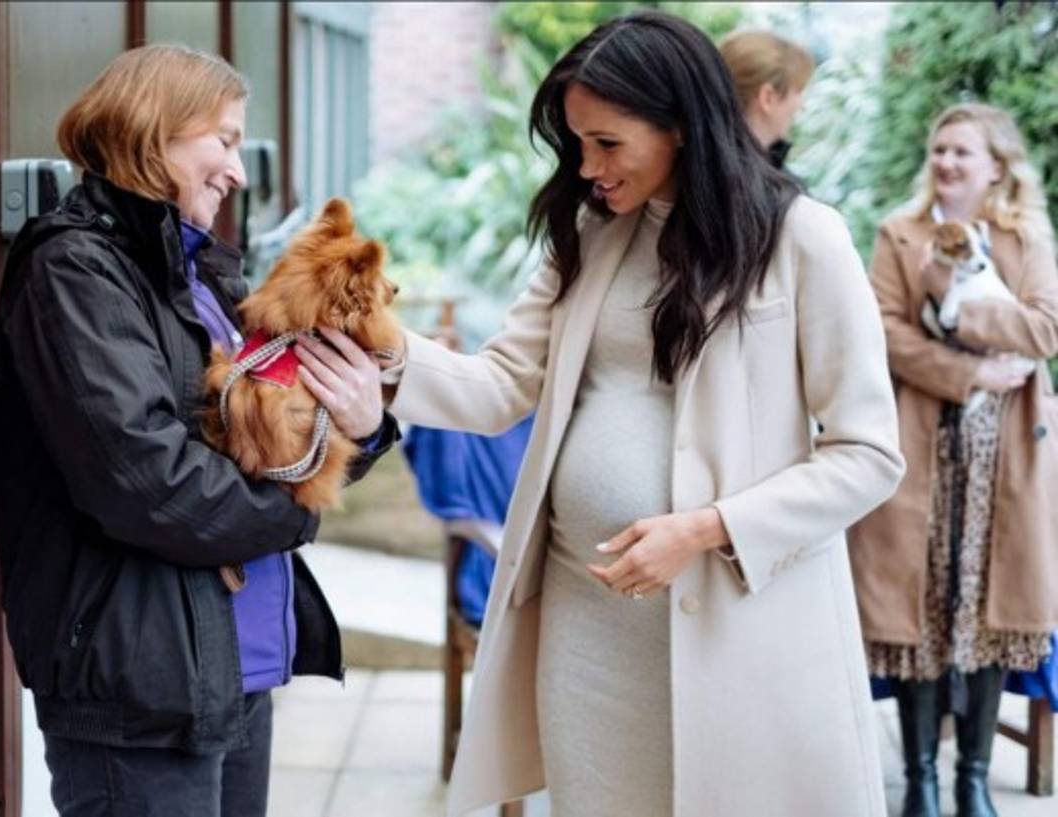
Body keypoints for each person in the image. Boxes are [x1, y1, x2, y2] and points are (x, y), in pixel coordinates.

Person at [298, 10, 904, 817]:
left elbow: (868, 455)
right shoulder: (590, 232)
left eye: (608, 143)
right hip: (588, 630)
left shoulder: (805, 240)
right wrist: (380, 355)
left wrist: (705, 527)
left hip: (739, 627)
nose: (587, 168)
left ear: (683, 126)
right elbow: (501, 384)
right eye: (578, 143)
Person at [0, 44, 396, 817]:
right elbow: (146, 480)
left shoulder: (199, 270)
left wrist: (365, 426)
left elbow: (269, 443)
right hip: (139, 683)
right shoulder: (75, 271)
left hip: (229, 664)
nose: (239, 172)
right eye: (227, 140)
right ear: (156, 131)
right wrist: (298, 512)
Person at [849, 102, 1058, 817]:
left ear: (996, 165)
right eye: (940, 149)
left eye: (962, 152)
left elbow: (1045, 328)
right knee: (923, 610)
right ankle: (921, 781)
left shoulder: (1026, 237)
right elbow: (880, 331)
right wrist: (967, 368)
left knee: (992, 609)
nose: (946, 162)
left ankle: (972, 778)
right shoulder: (898, 233)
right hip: (920, 447)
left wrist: (961, 309)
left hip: (1005, 458)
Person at [718, 29, 814, 168]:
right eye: (798, 91)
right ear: (768, 97)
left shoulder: (696, 165)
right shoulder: (762, 184)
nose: (801, 105)